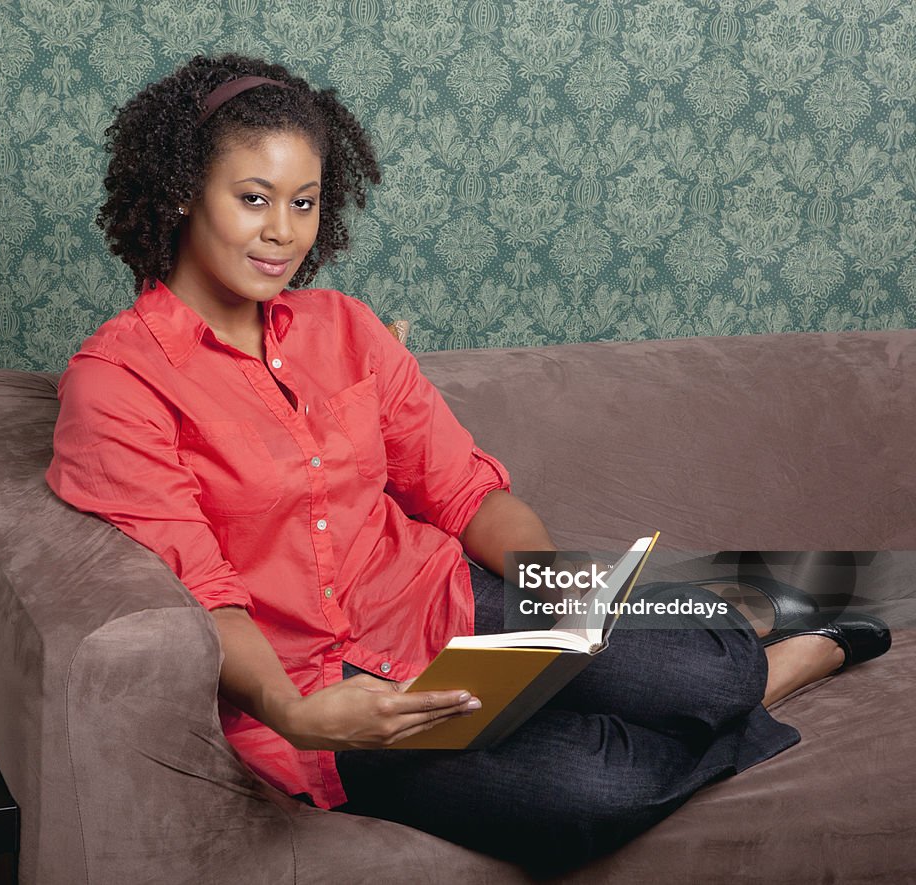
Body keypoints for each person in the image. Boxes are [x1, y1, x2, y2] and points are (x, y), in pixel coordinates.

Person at [46, 54, 891, 872]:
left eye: (303, 203)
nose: (282, 232)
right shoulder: (118, 382)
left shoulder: (342, 325)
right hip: (324, 685)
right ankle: (768, 685)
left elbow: (460, 489)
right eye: (254, 199)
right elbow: (206, 591)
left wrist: (555, 588)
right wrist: (297, 714)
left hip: (439, 595)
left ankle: (746, 672)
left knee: (708, 662)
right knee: (592, 789)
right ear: (185, 192)